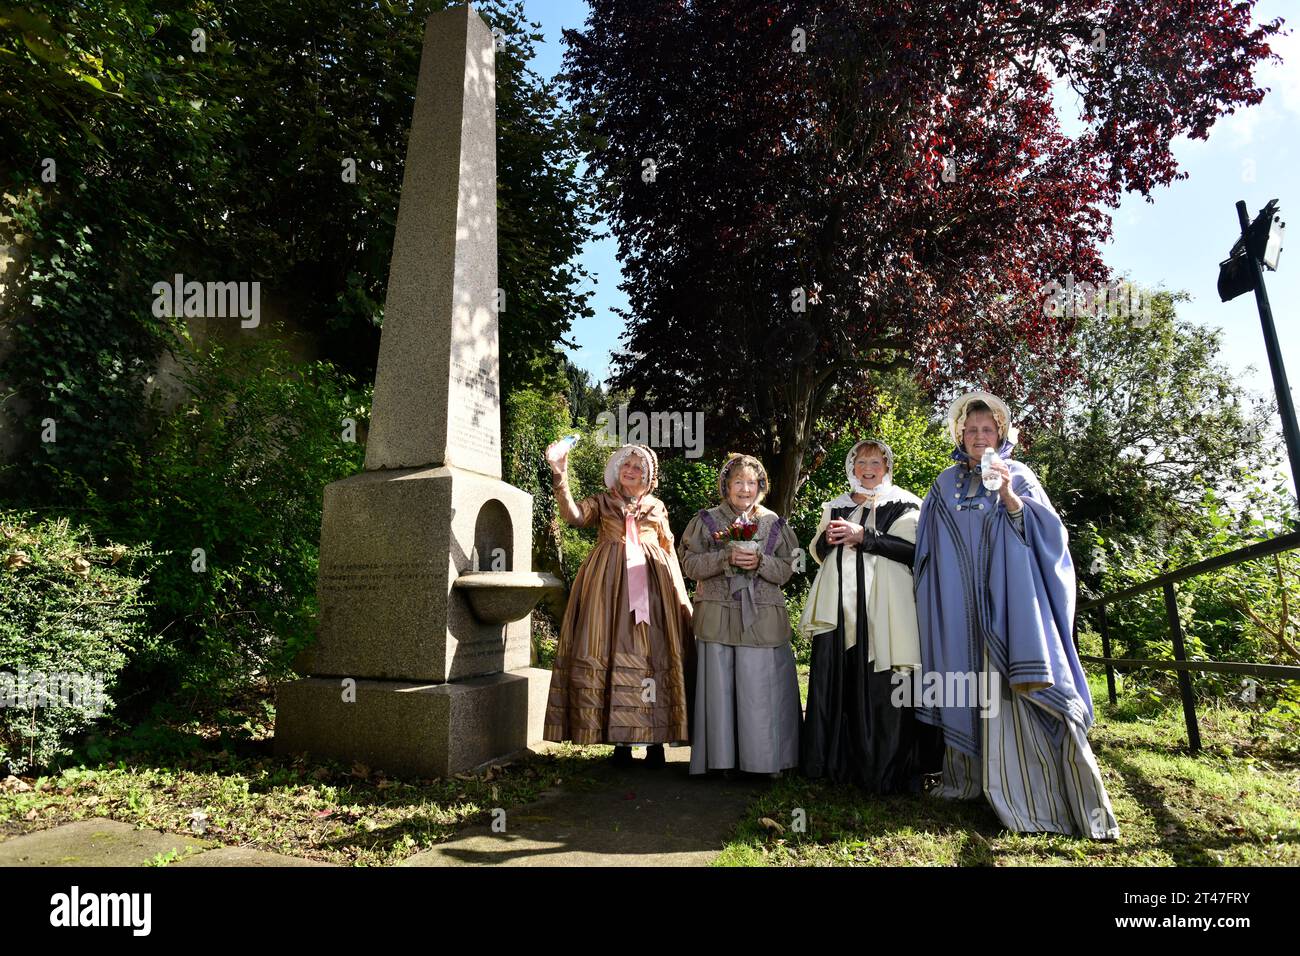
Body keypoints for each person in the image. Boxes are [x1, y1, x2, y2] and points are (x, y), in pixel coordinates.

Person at [914, 391, 1119, 838]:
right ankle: (967, 780)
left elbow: (1048, 539)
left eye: (988, 430)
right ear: (960, 434)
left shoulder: (1019, 475)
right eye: (971, 430)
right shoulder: (943, 483)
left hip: (1009, 611)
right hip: (958, 611)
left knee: (1011, 692)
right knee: (963, 686)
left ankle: (1031, 793)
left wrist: (1008, 494)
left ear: (1001, 433)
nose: (979, 437)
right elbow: (927, 549)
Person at [799, 439, 942, 792]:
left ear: (887, 467)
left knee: (884, 682)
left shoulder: (907, 503)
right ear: (852, 467)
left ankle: (885, 769)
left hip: (887, 609)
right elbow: (816, 550)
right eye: (861, 461)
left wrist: (866, 536)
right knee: (838, 677)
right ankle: (833, 764)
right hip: (838, 610)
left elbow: (914, 553)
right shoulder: (836, 505)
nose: (868, 468)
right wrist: (829, 540)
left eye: (875, 462)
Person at [544, 441, 693, 766]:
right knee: (611, 650)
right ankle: (621, 742)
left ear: (649, 476)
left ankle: (656, 741)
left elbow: (668, 548)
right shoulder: (603, 501)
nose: (630, 470)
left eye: (637, 467)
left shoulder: (657, 507)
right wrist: (561, 476)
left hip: (653, 591)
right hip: (607, 590)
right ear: (616, 469)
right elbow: (575, 516)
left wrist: (679, 597)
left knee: (653, 655)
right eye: (626, 465)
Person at [680, 454, 802, 777]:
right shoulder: (706, 520)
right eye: (738, 482)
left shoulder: (774, 522)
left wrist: (760, 562)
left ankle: (763, 762)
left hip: (761, 616)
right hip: (717, 613)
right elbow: (690, 565)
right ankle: (721, 762)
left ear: (761, 486)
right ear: (726, 486)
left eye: (751, 482)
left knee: (758, 686)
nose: (745, 489)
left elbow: (789, 569)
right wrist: (723, 559)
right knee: (719, 686)